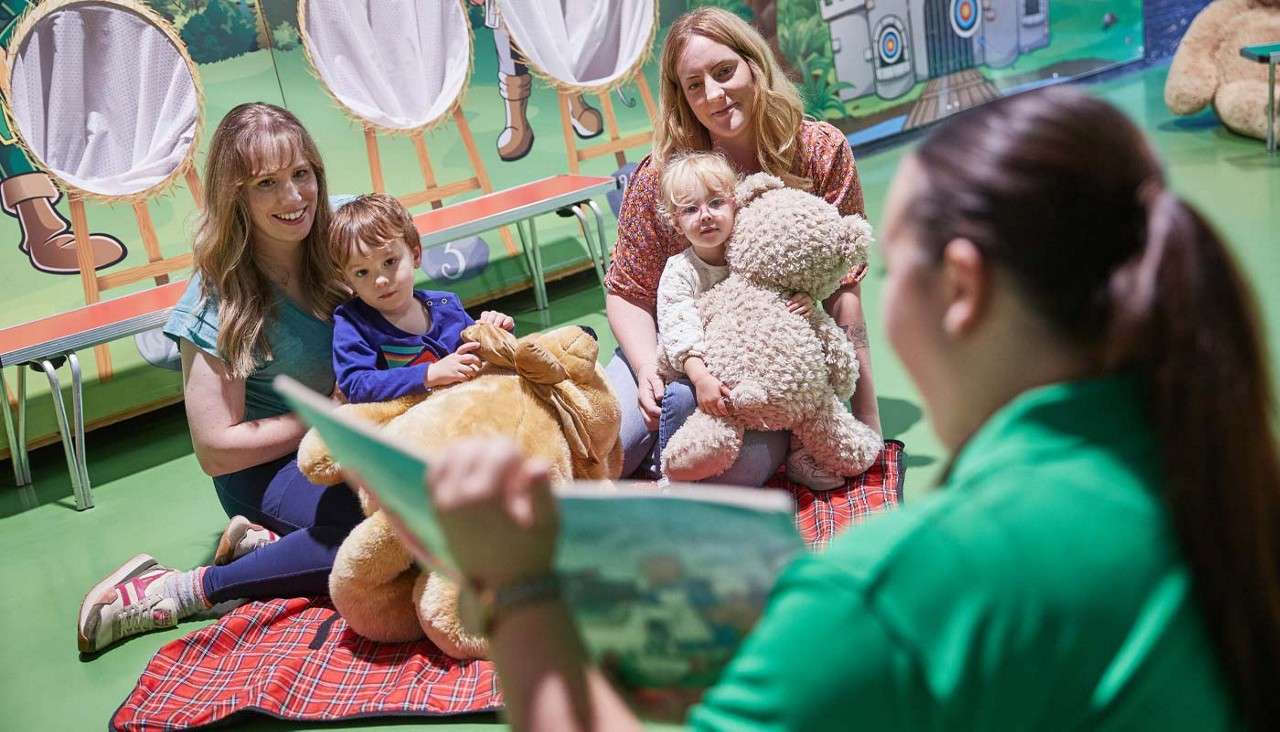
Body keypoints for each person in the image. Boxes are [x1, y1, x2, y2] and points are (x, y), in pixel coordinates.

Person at [395, 87, 1280, 729]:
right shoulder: (1219, 478)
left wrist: (519, 589)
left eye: (883, 267)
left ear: (961, 289)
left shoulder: (890, 587)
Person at [76, 103, 358, 654]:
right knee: (373, 537)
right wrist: (325, 415)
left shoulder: (341, 238)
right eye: (267, 183)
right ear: (236, 196)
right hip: (267, 469)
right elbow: (215, 450)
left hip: (349, 439)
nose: (294, 197)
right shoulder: (218, 298)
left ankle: (264, 550)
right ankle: (182, 590)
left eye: (302, 174)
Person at [604, 7, 881, 486]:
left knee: (731, 477)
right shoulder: (660, 176)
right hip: (672, 344)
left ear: (754, 64)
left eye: (724, 71)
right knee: (609, 447)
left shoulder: (820, 152)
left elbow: (844, 289)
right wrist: (648, 367)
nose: (714, 94)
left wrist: (867, 414)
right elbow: (627, 290)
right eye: (695, 85)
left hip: (761, 368)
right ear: (681, 96)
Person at [653, 151, 835, 489]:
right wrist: (701, 376)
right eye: (691, 210)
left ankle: (800, 453)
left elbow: (783, 281)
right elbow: (679, 326)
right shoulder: (680, 271)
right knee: (680, 397)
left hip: (757, 373)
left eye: (715, 203)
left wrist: (805, 300)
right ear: (676, 222)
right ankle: (673, 471)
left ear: (735, 204)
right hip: (704, 372)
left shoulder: (753, 250)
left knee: (800, 377)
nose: (706, 216)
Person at [328, 193, 514, 405]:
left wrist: (497, 331)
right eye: (362, 272)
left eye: (390, 261)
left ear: (415, 255)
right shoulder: (353, 322)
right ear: (347, 280)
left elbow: (481, 354)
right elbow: (356, 385)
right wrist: (429, 373)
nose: (380, 280)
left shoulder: (446, 305)